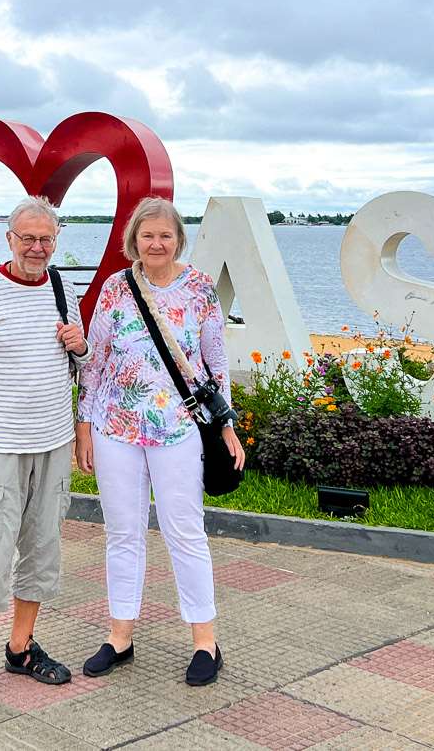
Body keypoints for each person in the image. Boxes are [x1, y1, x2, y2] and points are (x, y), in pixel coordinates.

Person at [74, 196, 246, 687]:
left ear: (178, 240)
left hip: (178, 429)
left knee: (184, 532)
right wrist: (84, 424)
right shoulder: (115, 288)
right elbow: (96, 360)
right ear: (134, 240)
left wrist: (226, 424)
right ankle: (120, 636)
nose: (155, 244)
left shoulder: (200, 289)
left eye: (164, 235)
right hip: (115, 428)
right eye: (147, 235)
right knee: (122, 533)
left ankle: (205, 642)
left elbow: (215, 362)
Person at [0, 196, 88, 704]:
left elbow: (80, 363)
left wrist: (81, 346)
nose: (37, 248)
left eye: (46, 239)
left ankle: (21, 647)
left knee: (43, 546)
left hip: (53, 441)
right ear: (9, 239)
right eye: (27, 238)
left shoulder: (61, 288)